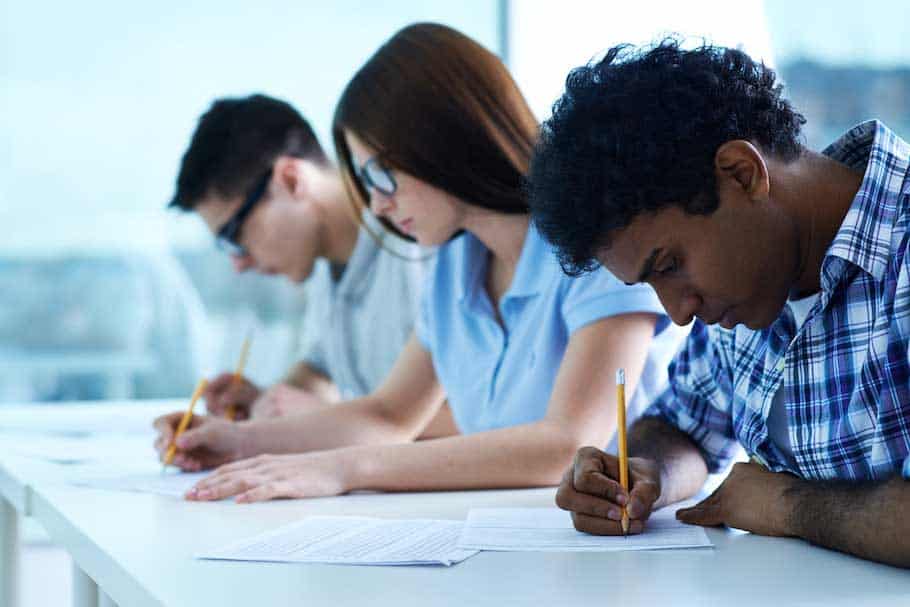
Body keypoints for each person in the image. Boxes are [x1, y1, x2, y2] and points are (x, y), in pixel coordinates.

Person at [153, 23, 684, 502]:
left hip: (620, 553)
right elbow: (388, 414)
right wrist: (237, 442)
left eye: (381, 178)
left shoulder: (597, 240)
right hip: (504, 540)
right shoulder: (453, 264)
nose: (377, 204)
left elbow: (567, 442)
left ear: (442, 143)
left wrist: (344, 469)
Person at [528, 39, 910, 567]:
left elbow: (774, 504)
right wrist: (646, 472)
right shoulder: (753, 284)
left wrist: (786, 506)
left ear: (741, 173)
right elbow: (684, 425)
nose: (678, 312)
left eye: (668, 265)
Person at [169, 94, 454, 436]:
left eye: (235, 235)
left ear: (291, 180)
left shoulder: (420, 244)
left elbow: (488, 421)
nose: (238, 264)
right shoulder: (322, 267)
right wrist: (265, 403)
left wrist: (328, 417)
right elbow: (321, 369)